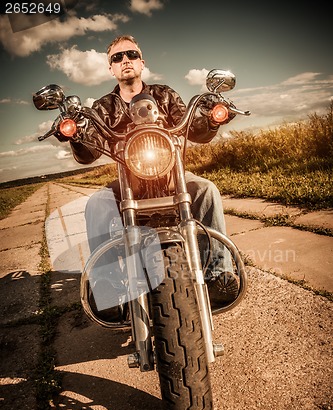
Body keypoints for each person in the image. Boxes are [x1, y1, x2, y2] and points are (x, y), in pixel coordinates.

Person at [58, 34, 238, 317]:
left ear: (141, 62)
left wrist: (212, 118)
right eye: (117, 58)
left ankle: (218, 274)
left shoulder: (165, 95)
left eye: (130, 55)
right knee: (96, 204)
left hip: (172, 175)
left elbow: (193, 129)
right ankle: (107, 286)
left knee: (206, 191)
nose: (125, 60)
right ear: (111, 68)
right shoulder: (103, 108)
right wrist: (76, 134)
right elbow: (88, 151)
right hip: (128, 182)